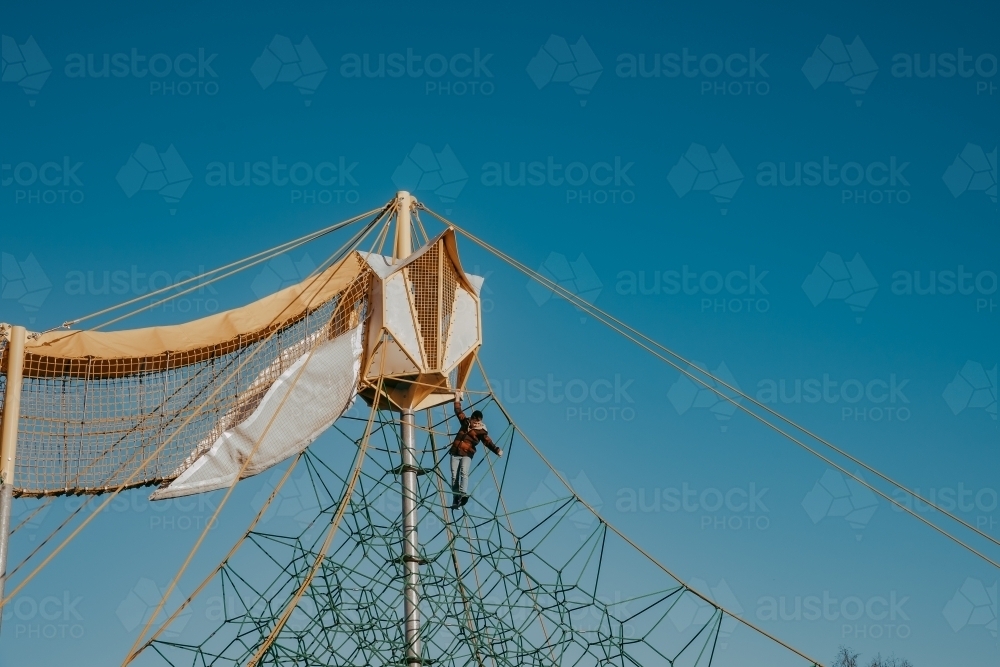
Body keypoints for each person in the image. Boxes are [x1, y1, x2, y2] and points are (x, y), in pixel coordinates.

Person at [449, 391, 502, 510]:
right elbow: (458, 411)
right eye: (474, 422)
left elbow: (487, 442)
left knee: (464, 472)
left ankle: (462, 494)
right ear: (471, 419)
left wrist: (497, 450)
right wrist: (457, 398)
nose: (476, 424)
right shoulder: (465, 422)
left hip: (467, 454)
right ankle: (455, 498)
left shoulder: (481, 431)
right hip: (455, 452)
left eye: (478, 422)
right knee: (454, 476)